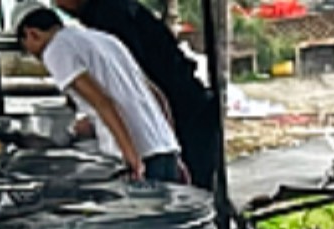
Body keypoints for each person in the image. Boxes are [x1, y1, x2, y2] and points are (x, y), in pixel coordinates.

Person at [49, 0, 220, 196]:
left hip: (184, 113)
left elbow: (135, 83)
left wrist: (131, 155)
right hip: (176, 115)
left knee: (189, 205)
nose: (57, 5)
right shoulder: (111, 12)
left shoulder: (108, 16)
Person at [16, 8, 182, 183]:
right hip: (164, 148)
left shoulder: (56, 49)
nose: (34, 57)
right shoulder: (106, 40)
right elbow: (156, 95)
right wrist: (175, 151)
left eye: (27, 49)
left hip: (138, 157)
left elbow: (102, 102)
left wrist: (131, 156)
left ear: (31, 33)